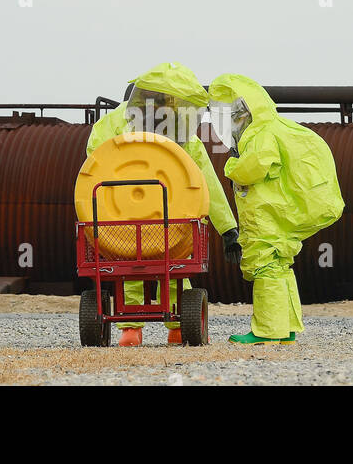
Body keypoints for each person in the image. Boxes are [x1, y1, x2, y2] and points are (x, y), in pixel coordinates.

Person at [86, 62, 241, 346]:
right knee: (174, 266)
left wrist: (228, 227)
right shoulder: (179, 130)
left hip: (123, 217)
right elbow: (204, 182)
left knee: (131, 265)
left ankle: (135, 329)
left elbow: (91, 173)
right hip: (168, 216)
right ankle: (176, 326)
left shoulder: (109, 126)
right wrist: (228, 230)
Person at [208, 73, 344, 345]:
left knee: (264, 267)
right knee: (280, 267)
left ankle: (267, 331)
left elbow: (256, 166)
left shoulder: (261, 134)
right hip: (274, 214)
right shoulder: (274, 128)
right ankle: (286, 328)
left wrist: (231, 167)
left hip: (265, 216)